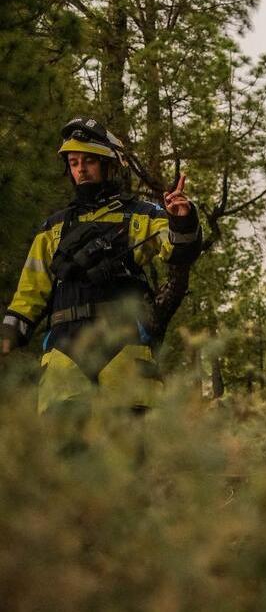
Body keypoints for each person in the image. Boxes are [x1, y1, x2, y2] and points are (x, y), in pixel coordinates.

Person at [0, 117, 201, 413]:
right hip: (64, 354)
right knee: (66, 451)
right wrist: (7, 337)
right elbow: (29, 295)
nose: (81, 169)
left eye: (89, 161)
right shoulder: (52, 228)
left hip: (124, 349)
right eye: (74, 162)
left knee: (130, 451)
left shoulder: (141, 216)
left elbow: (179, 250)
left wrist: (182, 217)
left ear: (110, 165)